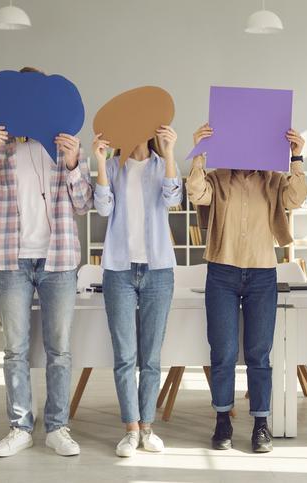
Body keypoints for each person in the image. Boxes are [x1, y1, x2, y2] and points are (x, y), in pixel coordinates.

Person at [0, 67, 93, 457]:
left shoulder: (65, 148)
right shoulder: (2, 151)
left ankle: (58, 427)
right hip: (11, 260)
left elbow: (83, 204)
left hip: (58, 260)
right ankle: (20, 426)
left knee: (59, 349)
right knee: (15, 349)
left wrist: (75, 165)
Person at [186, 123, 307, 453]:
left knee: (258, 353)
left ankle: (261, 424)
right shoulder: (218, 177)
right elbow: (195, 192)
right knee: (223, 351)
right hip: (222, 273)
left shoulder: (272, 179)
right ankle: (223, 420)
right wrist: (198, 153)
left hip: (261, 274)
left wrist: (296, 155)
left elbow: (296, 198)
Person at [93, 125, 181, 457]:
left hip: (158, 270)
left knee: (152, 358)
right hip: (119, 270)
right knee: (125, 357)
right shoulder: (114, 167)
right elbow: (102, 208)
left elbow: (173, 199)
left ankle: (148, 428)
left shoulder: (161, 165)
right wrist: (100, 163)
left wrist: (170, 153)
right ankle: (130, 429)